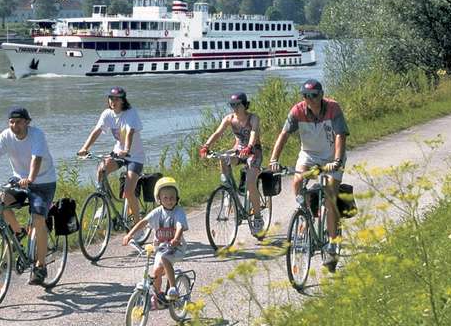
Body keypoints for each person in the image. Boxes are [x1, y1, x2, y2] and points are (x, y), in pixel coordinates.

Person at [268, 79, 349, 270]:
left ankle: (332, 243)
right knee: (297, 181)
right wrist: (274, 159)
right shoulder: (297, 111)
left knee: (330, 199)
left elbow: (340, 135)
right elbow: (284, 135)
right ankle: (305, 212)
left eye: (313, 95)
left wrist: (336, 161)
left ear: (321, 95)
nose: (309, 99)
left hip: (332, 156)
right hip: (309, 154)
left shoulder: (333, 108)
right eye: (305, 95)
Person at [0, 106, 58, 285]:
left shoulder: (37, 135)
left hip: (43, 182)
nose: (14, 125)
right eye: (11, 122)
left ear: (27, 122)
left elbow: (36, 158)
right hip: (19, 181)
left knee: (39, 220)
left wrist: (31, 178)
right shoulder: (5, 136)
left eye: (18, 122)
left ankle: (40, 266)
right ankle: (18, 232)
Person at [199, 92, 265, 236]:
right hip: (238, 151)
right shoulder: (229, 119)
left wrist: (249, 147)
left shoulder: (253, 118)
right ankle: (228, 188)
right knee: (223, 157)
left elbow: (253, 133)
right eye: (232, 105)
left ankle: (258, 218)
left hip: (253, 152)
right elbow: (217, 133)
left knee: (250, 183)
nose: (234, 108)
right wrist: (206, 146)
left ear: (244, 105)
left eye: (237, 105)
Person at [78, 86, 145, 225]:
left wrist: (126, 149)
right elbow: (97, 131)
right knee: (101, 170)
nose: (113, 101)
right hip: (118, 153)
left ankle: (138, 225)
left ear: (122, 100)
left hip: (135, 156)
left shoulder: (130, 113)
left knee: (128, 192)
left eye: (117, 98)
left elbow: (129, 132)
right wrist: (85, 148)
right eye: (111, 98)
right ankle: (104, 203)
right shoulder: (107, 114)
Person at [123, 177, 188, 309]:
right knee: (156, 271)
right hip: (162, 248)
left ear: (177, 198)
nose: (169, 200)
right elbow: (143, 222)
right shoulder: (157, 212)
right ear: (159, 199)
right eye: (165, 198)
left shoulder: (178, 211)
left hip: (176, 248)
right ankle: (158, 296)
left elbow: (180, 226)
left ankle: (173, 288)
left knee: (165, 258)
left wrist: (176, 239)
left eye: (172, 197)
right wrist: (130, 234)